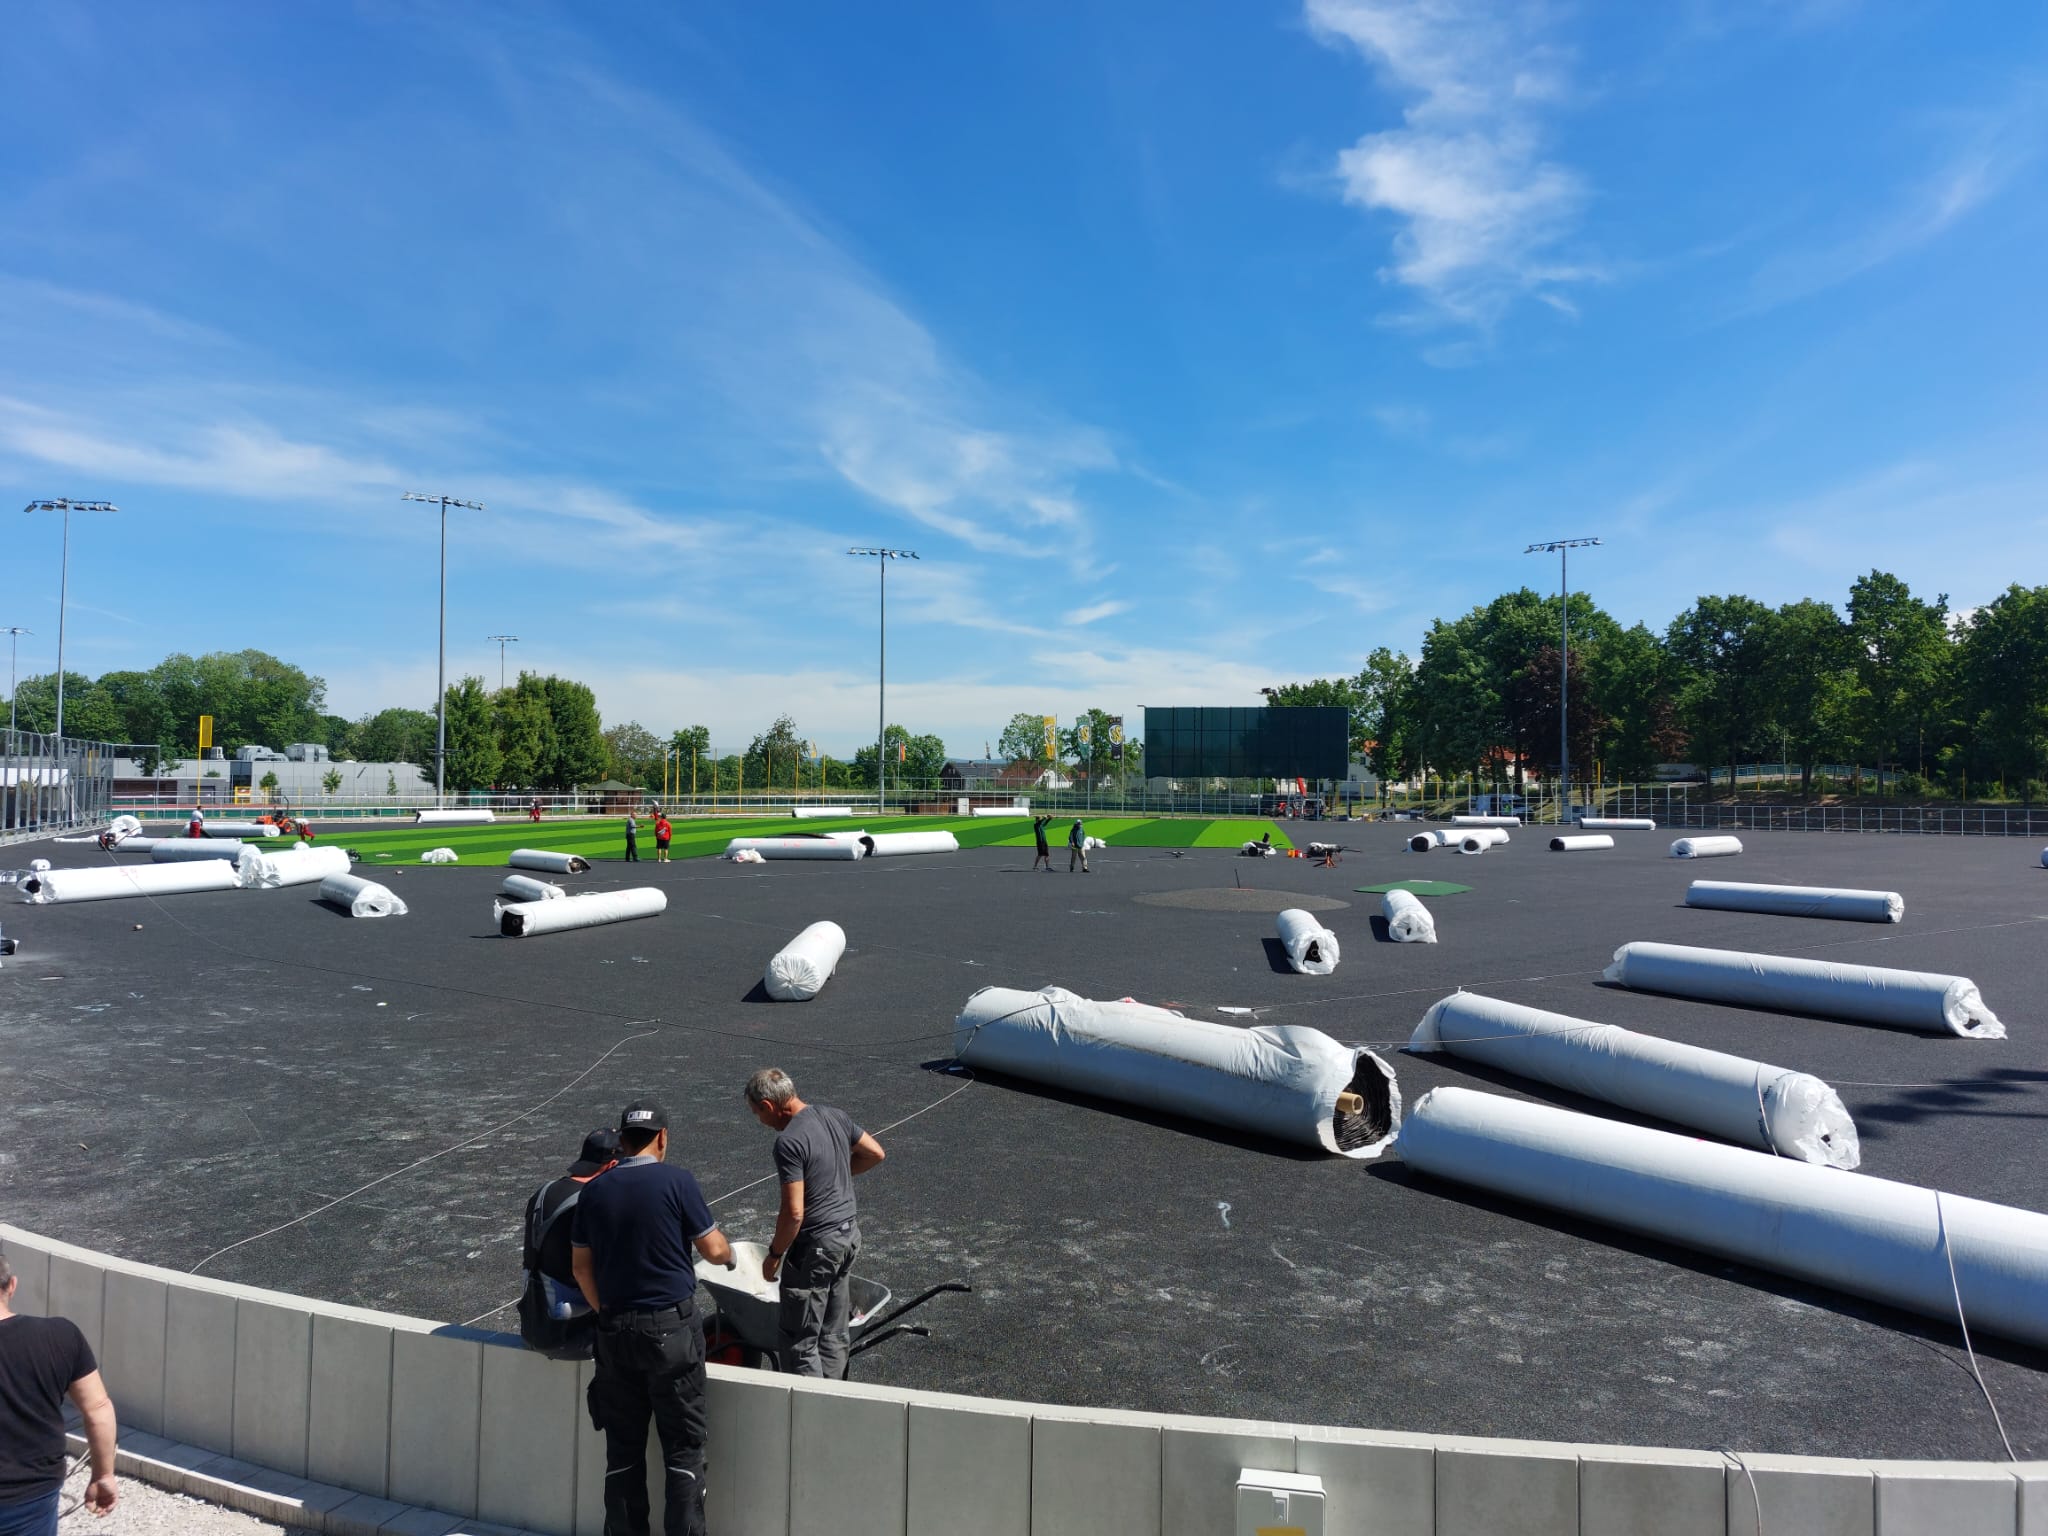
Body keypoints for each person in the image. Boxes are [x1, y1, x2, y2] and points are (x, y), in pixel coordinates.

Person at [571, 1102, 732, 1536]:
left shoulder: (594, 1191)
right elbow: (714, 1249)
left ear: (622, 1140)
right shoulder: (677, 1181)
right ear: (662, 1137)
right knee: (683, 1452)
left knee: (623, 1450)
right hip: (671, 1331)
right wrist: (732, 1256)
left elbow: (581, 1269)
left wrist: (606, 1312)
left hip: (615, 1332)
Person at [743, 1069, 886, 1379]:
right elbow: (875, 1153)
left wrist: (775, 1254)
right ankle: (832, 1399)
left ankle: (807, 1404)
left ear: (768, 1105)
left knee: (800, 1341)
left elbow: (794, 1213)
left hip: (817, 1248)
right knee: (833, 1333)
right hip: (848, 1237)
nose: (760, 1121)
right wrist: (833, 1175)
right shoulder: (835, 1115)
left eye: (757, 1113)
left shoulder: (789, 1141)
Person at [0, 1247, 117, 1530]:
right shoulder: (60, 1336)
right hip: (31, 1496)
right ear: (12, 1285)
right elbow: (98, 1408)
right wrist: (103, 1475)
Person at [516, 1129, 620, 1361]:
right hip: (573, 1336)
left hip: (534, 1326)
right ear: (612, 1165)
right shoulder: (592, 1203)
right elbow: (585, 1271)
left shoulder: (543, 1192)